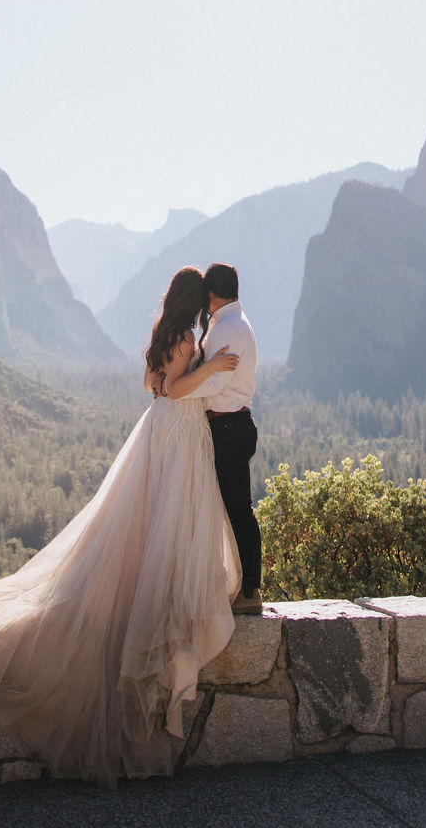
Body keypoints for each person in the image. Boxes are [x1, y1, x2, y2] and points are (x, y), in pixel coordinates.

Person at [0, 266, 241, 787]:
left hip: (162, 432)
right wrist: (215, 365)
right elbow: (174, 390)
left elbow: (151, 383)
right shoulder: (183, 338)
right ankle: (155, 604)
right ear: (194, 302)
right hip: (178, 432)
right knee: (167, 521)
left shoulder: (165, 334)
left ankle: (147, 592)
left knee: (151, 521)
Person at [159, 262, 262, 614]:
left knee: (236, 510)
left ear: (212, 294)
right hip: (230, 425)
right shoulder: (232, 323)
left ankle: (250, 591)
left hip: (229, 426)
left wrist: (171, 395)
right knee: (222, 509)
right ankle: (233, 587)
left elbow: (214, 383)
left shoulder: (227, 328)